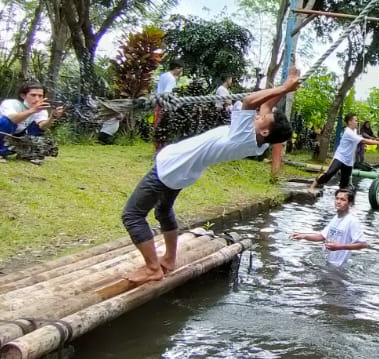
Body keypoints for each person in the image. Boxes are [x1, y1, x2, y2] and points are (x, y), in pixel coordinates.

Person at [121, 66, 301, 284]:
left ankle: (152, 268)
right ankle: (168, 259)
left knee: (132, 215)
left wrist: (284, 87)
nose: (260, 115)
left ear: (264, 131)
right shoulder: (259, 141)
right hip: (184, 171)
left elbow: (250, 101)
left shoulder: (244, 135)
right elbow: (266, 106)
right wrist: (286, 88)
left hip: (172, 167)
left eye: (264, 118)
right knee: (163, 211)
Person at [0, 82, 65, 162]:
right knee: (6, 121)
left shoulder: (41, 109)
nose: (37, 99)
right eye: (33, 95)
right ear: (23, 96)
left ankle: (27, 153)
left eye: (40, 96)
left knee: (37, 127)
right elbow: (13, 119)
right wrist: (32, 110)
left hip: (17, 139)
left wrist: (52, 117)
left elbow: (42, 126)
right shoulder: (10, 103)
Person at [290, 185, 368, 267]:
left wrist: (339, 247)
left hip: (339, 266)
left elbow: (363, 244)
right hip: (328, 262)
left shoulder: (352, 221)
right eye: (337, 198)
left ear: (350, 203)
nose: (338, 202)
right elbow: (321, 236)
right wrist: (303, 236)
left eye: (343, 200)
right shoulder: (336, 218)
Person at [310, 114, 379, 193]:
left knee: (344, 183)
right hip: (340, 157)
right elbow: (363, 140)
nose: (357, 122)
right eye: (355, 120)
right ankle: (312, 186)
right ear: (349, 122)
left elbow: (359, 139)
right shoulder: (348, 132)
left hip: (349, 161)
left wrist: (375, 140)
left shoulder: (354, 131)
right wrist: (378, 142)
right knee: (329, 173)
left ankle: (340, 196)